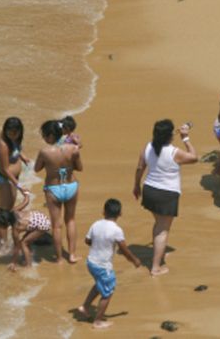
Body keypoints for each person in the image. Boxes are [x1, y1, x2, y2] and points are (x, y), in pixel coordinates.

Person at [133, 120, 197, 276]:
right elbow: (194, 157)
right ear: (170, 135)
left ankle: (157, 252)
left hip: (149, 190)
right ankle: (155, 267)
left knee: (159, 224)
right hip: (166, 194)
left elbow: (140, 167)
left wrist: (136, 186)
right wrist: (186, 139)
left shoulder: (147, 147)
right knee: (163, 230)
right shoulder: (174, 152)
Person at [76, 199, 141, 329]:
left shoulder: (96, 224)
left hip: (91, 262)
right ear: (120, 213)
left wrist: (97, 244)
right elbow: (124, 249)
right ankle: (98, 321)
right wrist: (135, 260)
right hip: (103, 266)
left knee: (99, 285)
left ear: (103, 212)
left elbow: (87, 240)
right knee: (108, 292)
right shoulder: (116, 230)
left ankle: (84, 307)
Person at [34, 120, 83, 263]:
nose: (43, 138)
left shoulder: (44, 152)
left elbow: (37, 169)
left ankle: (60, 258)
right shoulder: (73, 149)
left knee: (56, 226)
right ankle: (72, 255)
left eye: (44, 135)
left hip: (53, 189)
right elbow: (79, 168)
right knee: (71, 220)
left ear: (50, 136)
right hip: (71, 186)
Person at [0, 117, 30, 250]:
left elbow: (15, 147)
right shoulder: (2, 144)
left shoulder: (13, 139)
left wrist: (22, 155)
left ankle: (2, 238)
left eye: (15, 132)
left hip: (12, 177)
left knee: (9, 208)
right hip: (5, 178)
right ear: (5, 130)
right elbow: (4, 169)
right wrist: (19, 186)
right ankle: (1, 245)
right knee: (3, 212)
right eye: (10, 132)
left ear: (20, 131)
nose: (12, 134)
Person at [7, 189, 51, 271]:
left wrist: (13, 262)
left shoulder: (15, 229)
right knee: (26, 239)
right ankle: (28, 256)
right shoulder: (14, 210)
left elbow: (16, 247)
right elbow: (26, 201)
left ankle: (29, 266)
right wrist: (26, 193)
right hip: (42, 217)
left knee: (23, 243)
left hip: (42, 225)